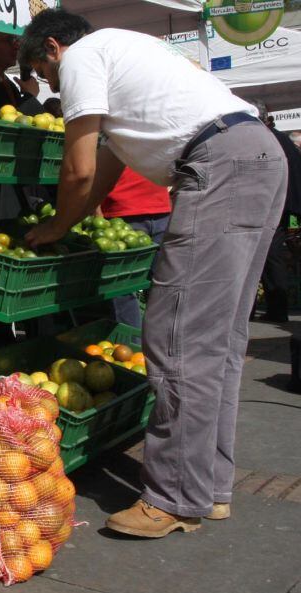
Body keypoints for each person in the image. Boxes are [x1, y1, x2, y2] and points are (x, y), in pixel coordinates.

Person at [20, 9, 287, 538]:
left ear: (52, 48)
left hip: (217, 166)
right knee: (218, 342)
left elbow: (77, 167)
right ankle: (207, 489)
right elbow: (109, 165)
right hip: (255, 154)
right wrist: (80, 215)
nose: (50, 86)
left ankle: (171, 500)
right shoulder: (126, 51)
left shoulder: (83, 59)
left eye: (43, 74)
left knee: (176, 336)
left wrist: (57, 226)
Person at [100, 167, 171, 329]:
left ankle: (134, 347)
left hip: (124, 213)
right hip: (159, 208)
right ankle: (159, 346)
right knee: (165, 287)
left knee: (122, 289)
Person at [252, 102, 301, 322]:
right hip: (279, 204)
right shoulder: (279, 138)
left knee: (267, 256)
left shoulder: (267, 139)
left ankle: (276, 309)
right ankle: (275, 308)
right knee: (271, 256)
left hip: (271, 204)